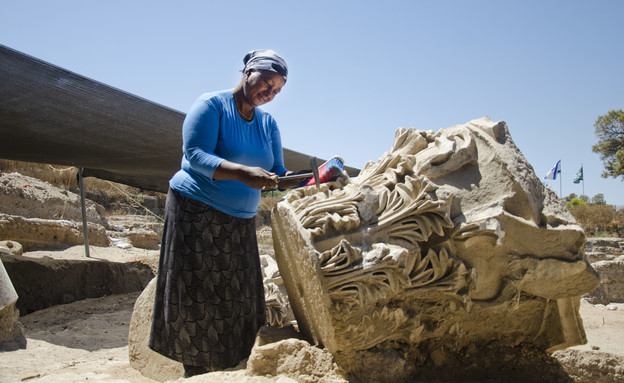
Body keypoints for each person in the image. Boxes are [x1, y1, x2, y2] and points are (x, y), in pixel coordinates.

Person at [149, 49, 299, 377]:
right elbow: (194, 156)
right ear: (248, 73)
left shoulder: (268, 123)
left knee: (240, 298)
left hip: (240, 220)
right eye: (267, 83)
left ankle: (229, 369)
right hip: (196, 211)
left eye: (277, 90)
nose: (270, 93)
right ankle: (197, 372)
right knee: (196, 296)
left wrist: (301, 182)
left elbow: (276, 173)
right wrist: (243, 173)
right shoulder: (213, 105)